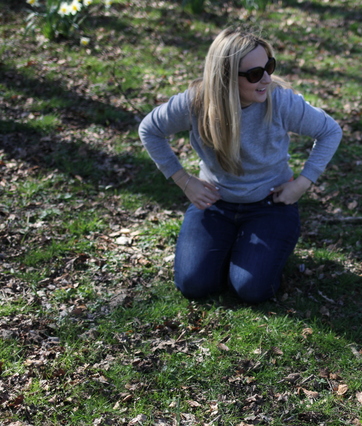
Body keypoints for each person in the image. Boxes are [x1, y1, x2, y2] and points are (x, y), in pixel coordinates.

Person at [139, 27, 342, 304]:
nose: (267, 79)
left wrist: (303, 183)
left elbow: (330, 131)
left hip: (270, 205)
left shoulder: (280, 101)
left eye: (269, 66)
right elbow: (150, 129)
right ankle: (237, 249)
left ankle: (255, 252)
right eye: (255, 74)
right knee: (193, 285)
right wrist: (184, 181)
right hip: (215, 204)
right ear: (224, 78)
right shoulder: (195, 103)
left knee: (251, 290)